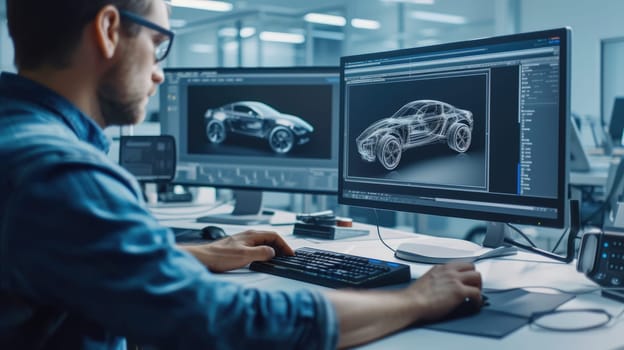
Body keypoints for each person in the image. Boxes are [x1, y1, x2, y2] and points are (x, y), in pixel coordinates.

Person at [0, 0, 483, 348]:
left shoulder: (18, 140)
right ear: (108, 29)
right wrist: (416, 301)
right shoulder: (59, 174)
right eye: (158, 43)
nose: (160, 72)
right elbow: (222, 322)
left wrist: (194, 253)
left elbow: (72, 258)